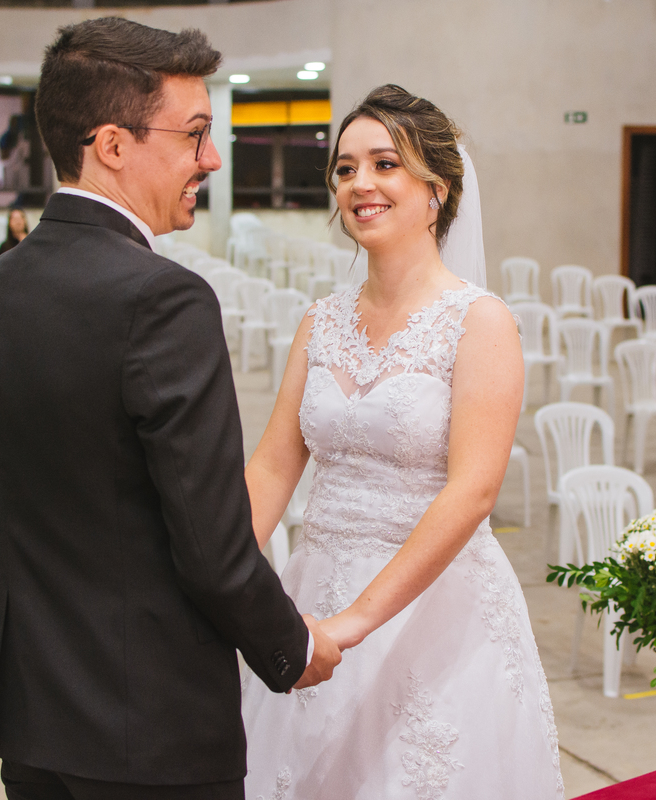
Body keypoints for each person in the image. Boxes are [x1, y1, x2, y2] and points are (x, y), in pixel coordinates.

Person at [0, 18, 340, 800]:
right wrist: (291, 647)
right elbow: (212, 545)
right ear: (113, 145)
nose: (213, 159)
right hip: (151, 728)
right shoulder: (164, 298)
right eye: (195, 134)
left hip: (31, 717)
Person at [240, 85, 563, 799]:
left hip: (432, 606)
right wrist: (219, 573)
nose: (361, 184)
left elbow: (473, 490)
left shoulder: (480, 322)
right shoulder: (319, 322)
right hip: (311, 593)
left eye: (386, 164)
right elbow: (270, 466)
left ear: (437, 191)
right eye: (346, 168)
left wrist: (356, 622)